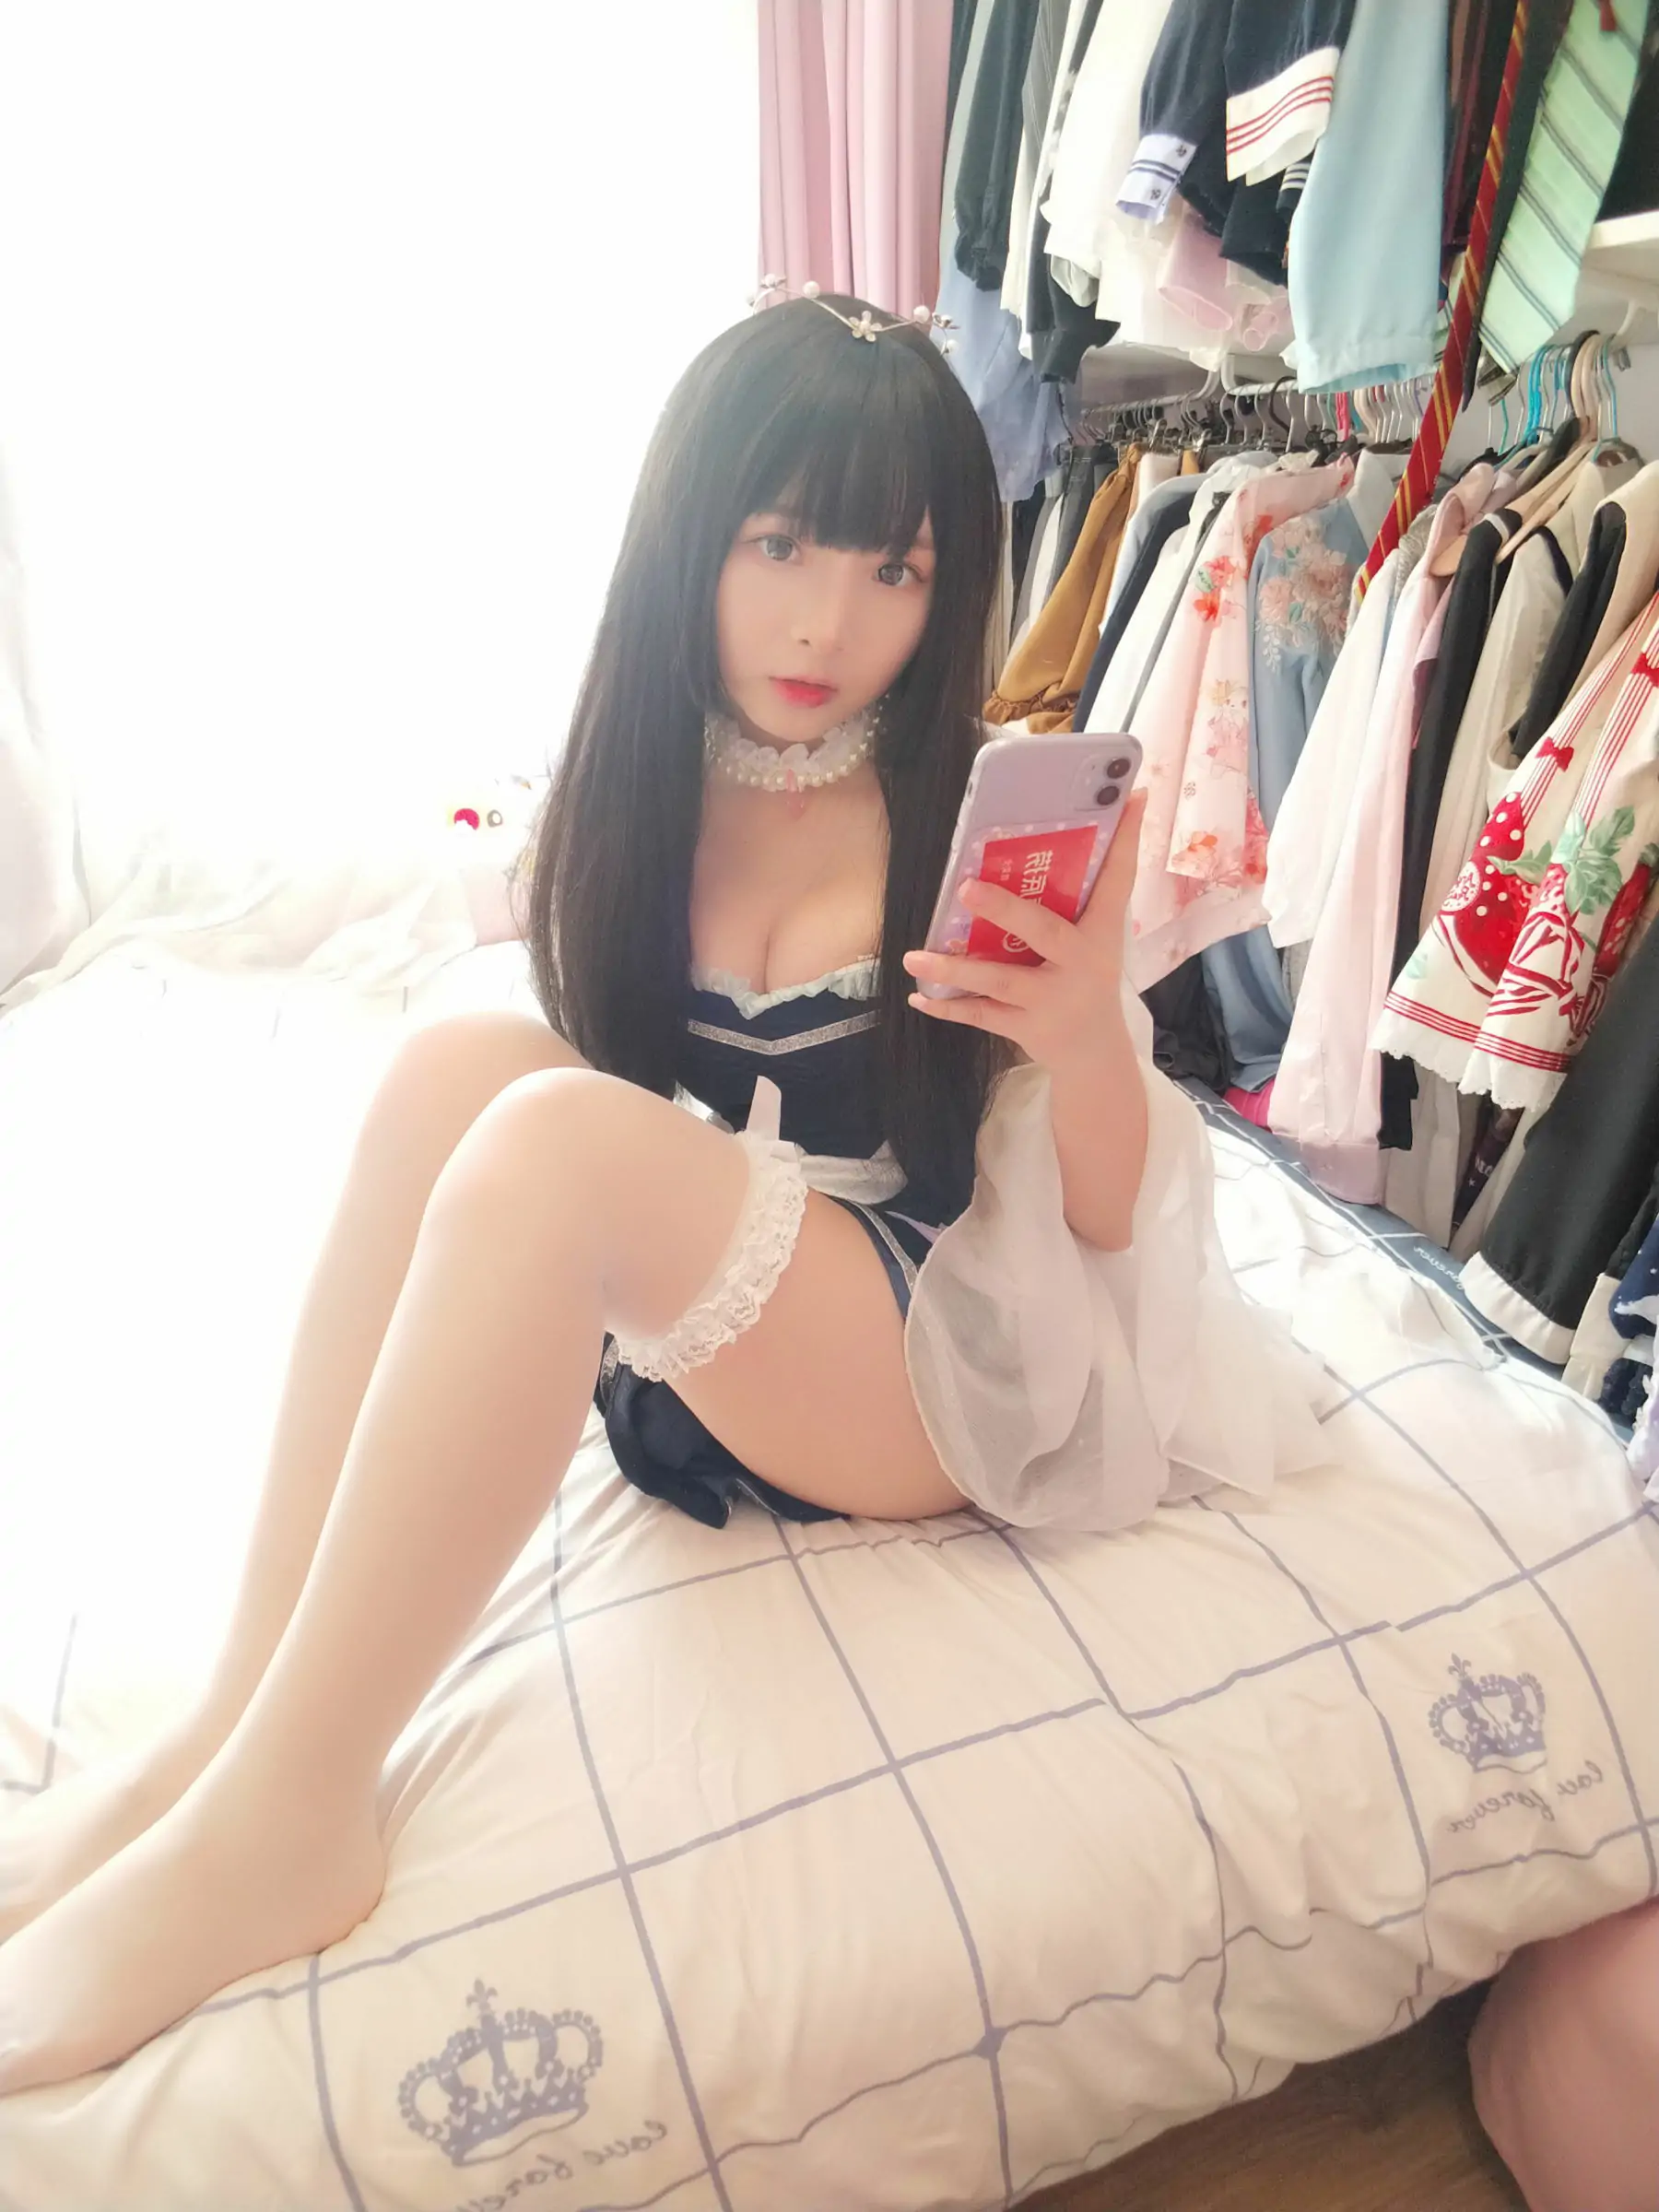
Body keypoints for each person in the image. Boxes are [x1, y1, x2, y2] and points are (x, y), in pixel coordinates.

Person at [0, 294, 1325, 2093]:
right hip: (761, 1312)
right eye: (780, 545)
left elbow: (1103, 1224)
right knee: (458, 1068)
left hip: (932, 1349)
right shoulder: (649, 774)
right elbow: (611, 1061)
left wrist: (1092, 1032)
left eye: (893, 568)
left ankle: (293, 1818)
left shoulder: (973, 814)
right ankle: (237, 1723)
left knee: (553, 1146)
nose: (826, 623)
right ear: (691, 535)